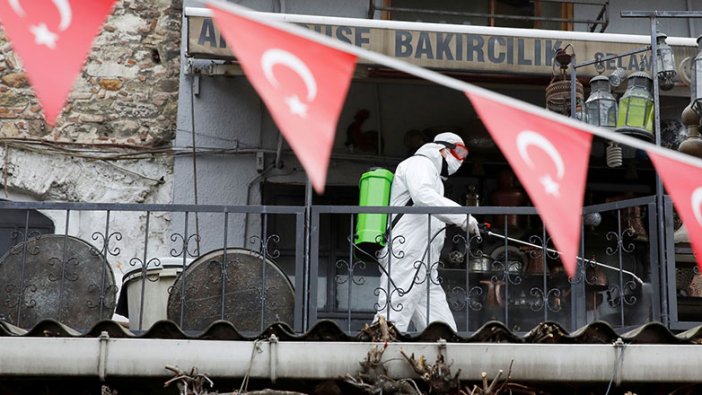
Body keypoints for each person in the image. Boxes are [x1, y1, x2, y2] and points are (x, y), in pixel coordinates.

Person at [374, 132, 480, 332]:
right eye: (458, 152)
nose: (461, 160)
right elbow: (423, 196)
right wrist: (462, 216)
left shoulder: (433, 177)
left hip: (424, 262)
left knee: (441, 327)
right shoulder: (419, 163)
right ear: (441, 149)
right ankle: (378, 354)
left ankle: (445, 354)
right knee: (392, 315)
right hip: (406, 252)